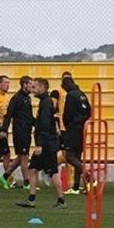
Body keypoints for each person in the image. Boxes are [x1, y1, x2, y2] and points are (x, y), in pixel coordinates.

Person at [17, 78, 66, 209]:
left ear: (42, 88)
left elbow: (44, 125)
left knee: (53, 172)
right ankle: (31, 199)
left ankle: (61, 200)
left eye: (34, 87)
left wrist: (40, 144)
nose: (32, 90)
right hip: (47, 142)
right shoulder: (45, 102)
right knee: (32, 169)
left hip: (46, 144)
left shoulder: (46, 103)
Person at [0, 76, 35, 190]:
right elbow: (9, 114)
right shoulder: (17, 98)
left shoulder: (27, 98)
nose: (32, 87)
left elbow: (29, 116)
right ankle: (26, 182)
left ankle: (4, 177)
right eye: (30, 84)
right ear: (24, 85)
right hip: (20, 131)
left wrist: (37, 124)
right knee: (24, 157)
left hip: (26, 130)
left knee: (20, 157)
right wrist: (4, 129)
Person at [61, 77, 90, 195]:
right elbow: (89, 111)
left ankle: (89, 176)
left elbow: (67, 113)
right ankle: (76, 186)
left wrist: (68, 125)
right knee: (77, 157)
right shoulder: (82, 94)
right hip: (83, 128)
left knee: (69, 156)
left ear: (65, 86)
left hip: (73, 128)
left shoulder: (70, 95)